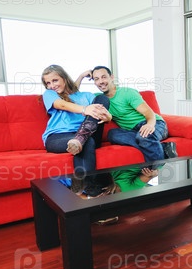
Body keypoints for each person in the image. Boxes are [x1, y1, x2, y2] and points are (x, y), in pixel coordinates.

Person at [77, 66, 177, 163]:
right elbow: (72, 95)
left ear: (112, 77)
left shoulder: (127, 93)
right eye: (96, 79)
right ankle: (163, 148)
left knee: (143, 137)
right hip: (132, 131)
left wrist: (150, 124)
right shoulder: (99, 99)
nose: (101, 81)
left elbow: (148, 112)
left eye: (104, 77)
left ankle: (156, 167)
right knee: (112, 134)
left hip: (155, 124)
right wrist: (81, 76)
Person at [41, 64, 111, 197]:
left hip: (87, 132)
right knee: (87, 141)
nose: (52, 85)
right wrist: (85, 109)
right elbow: (61, 104)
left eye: (55, 80)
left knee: (102, 99)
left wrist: (108, 117)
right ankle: (90, 191)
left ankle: (81, 137)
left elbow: (100, 111)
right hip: (58, 137)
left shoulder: (86, 96)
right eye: (48, 83)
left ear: (64, 78)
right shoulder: (50, 94)